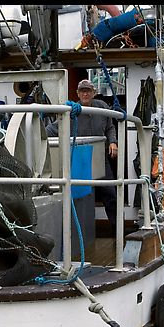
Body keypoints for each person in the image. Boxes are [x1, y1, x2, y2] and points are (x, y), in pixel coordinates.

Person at [46, 79, 118, 233]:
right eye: (82, 91)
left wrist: (113, 142)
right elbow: (51, 130)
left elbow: (110, 127)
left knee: (110, 193)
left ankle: (117, 230)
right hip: (79, 158)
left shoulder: (103, 108)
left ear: (94, 92)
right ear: (77, 94)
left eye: (88, 90)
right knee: (81, 196)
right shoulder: (70, 111)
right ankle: (80, 232)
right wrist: (36, 136)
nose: (85, 93)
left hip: (99, 158)